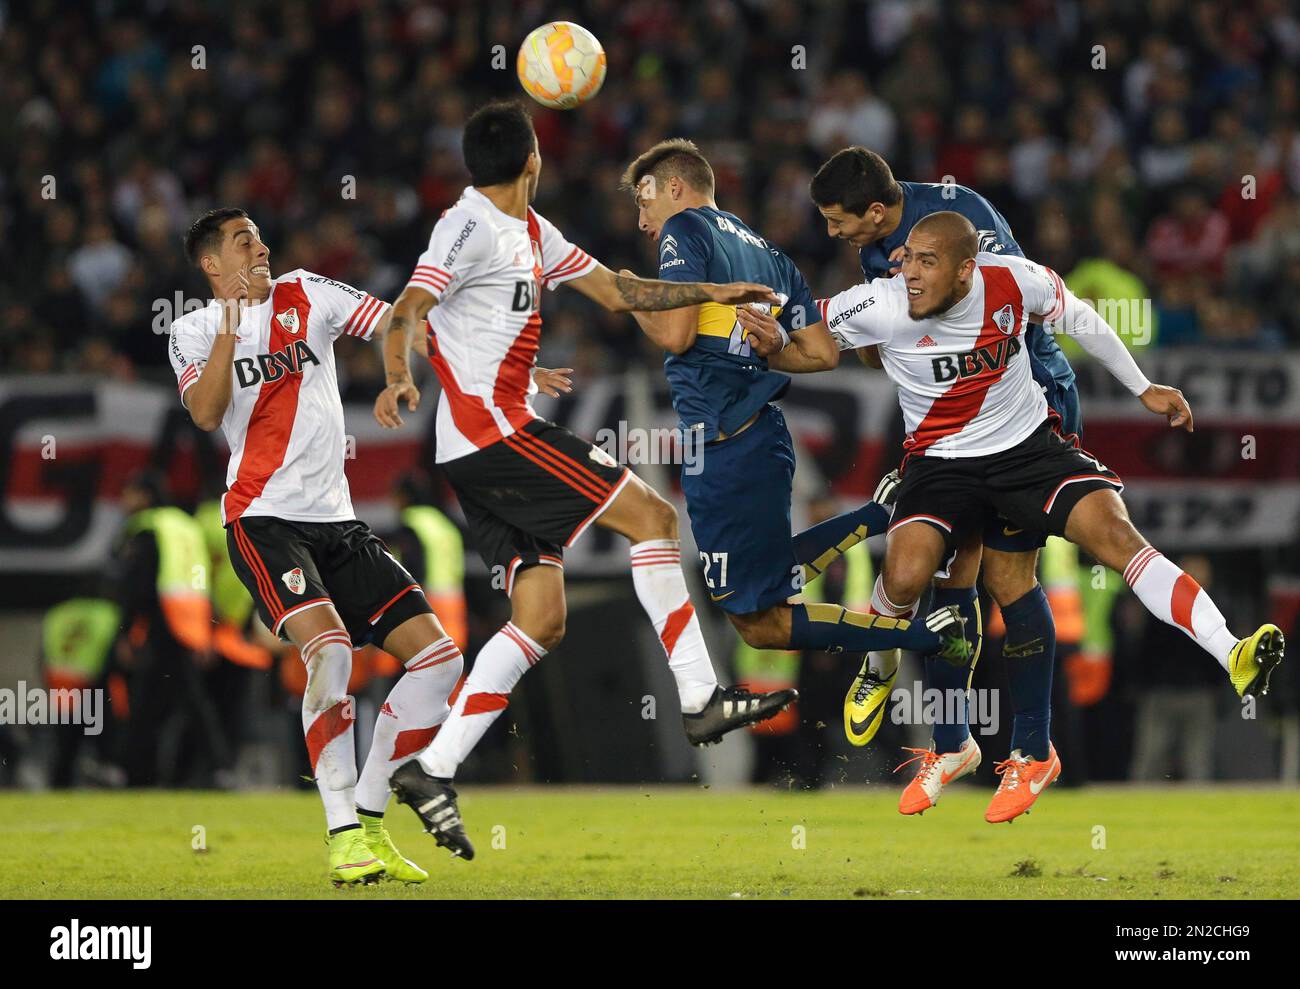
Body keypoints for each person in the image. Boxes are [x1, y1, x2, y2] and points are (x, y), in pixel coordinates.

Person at [740, 211, 1285, 822]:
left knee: (1110, 539)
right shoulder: (879, 301)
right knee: (904, 576)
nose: (910, 273)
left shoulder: (1015, 280)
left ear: (967, 269)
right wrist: (775, 348)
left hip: (1027, 452)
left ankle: (1229, 650)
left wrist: (1144, 388)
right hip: (941, 465)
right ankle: (881, 670)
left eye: (926, 261)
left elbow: (1084, 318)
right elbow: (810, 343)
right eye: (907, 258)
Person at [373, 101, 806, 858]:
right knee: (655, 519)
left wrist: (709, 292)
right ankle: (701, 696)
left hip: (480, 445)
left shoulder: (536, 234)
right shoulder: (466, 225)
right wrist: (395, 377)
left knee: (541, 618)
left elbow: (622, 291)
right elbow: (409, 307)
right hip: (497, 437)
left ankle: (432, 767)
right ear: (533, 158)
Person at [168, 207, 463, 885]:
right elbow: (208, 412)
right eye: (245, 242)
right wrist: (232, 331)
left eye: (262, 236)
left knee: (441, 662)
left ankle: (370, 811)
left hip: (338, 523)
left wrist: (397, 373)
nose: (262, 246)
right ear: (212, 265)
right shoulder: (190, 330)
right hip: (261, 520)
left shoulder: (313, 293)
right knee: (328, 647)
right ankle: (342, 836)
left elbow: (399, 321)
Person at [616, 138, 969, 663]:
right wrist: (774, 347)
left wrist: (631, 293)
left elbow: (674, 334)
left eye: (644, 201)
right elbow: (824, 353)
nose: (643, 220)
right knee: (765, 600)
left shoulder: (684, 229)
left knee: (756, 622)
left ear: (675, 188)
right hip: (761, 439)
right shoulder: (769, 254)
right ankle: (880, 524)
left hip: (723, 446)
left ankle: (927, 633)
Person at [807, 147, 1079, 760]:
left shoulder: (963, 216)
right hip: (946, 425)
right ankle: (947, 737)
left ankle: (1025, 747)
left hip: (1024, 406)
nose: (831, 232)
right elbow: (884, 333)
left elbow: (1014, 310)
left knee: (1005, 578)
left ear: (875, 212)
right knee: (939, 573)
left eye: (836, 220)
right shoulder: (872, 243)